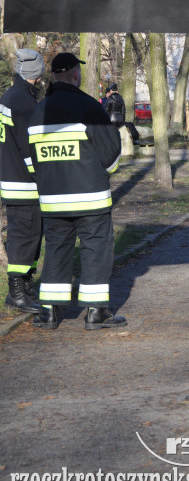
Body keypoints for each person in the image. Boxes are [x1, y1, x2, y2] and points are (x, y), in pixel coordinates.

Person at [27, 52, 126, 330]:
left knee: (57, 249)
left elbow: (30, 160)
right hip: (90, 198)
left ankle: (48, 311)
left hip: (52, 199)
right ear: (75, 74)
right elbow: (111, 156)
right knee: (96, 248)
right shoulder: (88, 107)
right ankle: (96, 312)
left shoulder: (39, 111)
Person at [0, 49, 45, 314]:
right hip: (25, 184)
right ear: (36, 73)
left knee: (28, 236)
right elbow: (30, 149)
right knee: (24, 237)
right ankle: (17, 293)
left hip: (11, 179)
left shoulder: (9, 97)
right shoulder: (25, 103)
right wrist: (42, 176)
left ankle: (25, 288)